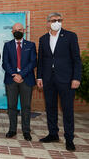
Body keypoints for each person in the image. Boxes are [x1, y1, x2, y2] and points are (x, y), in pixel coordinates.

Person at [37, 12, 81, 151]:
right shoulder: (43, 39)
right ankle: (53, 134)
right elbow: (41, 60)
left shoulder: (70, 36)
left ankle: (69, 139)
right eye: (53, 20)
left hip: (66, 80)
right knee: (50, 108)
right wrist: (39, 77)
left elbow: (76, 59)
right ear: (48, 23)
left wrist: (76, 78)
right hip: (48, 79)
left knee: (67, 110)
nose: (56, 22)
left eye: (59, 20)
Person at [2, 23, 37, 141]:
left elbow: (33, 62)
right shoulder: (7, 45)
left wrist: (21, 74)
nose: (18, 31)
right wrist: (14, 74)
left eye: (20, 29)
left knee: (26, 107)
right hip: (11, 80)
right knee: (11, 106)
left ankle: (26, 131)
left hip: (26, 79)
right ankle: (12, 130)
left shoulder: (31, 45)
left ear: (24, 30)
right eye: (15, 30)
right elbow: (5, 63)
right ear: (12, 32)